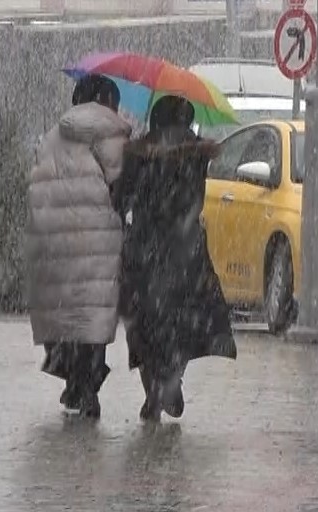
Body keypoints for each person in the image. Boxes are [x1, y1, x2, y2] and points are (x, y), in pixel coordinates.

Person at [114, 95, 237, 422]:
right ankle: (172, 378)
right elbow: (197, 198)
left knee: (143, 324)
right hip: (186, 248)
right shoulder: (197, 153)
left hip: (145, 248)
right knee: (183, 322)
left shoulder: (138, 152)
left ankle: (153, 392)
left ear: (156, 118)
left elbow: (121, 199)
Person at [24, 74, 132, 418]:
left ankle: (73, 379)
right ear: (106, 101)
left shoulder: (50, 137)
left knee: (63, 314)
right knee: (93, 317)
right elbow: (122, 185)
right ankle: (87, 387)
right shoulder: (112, 134)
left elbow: (36, 185)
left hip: (51, 239)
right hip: (97, 239)